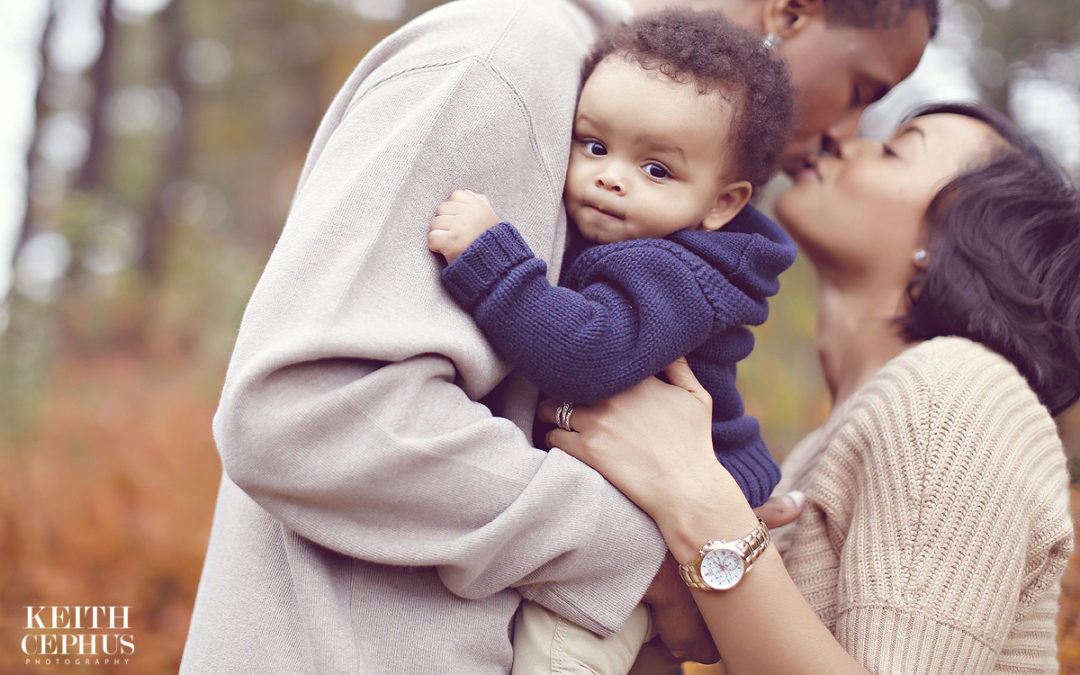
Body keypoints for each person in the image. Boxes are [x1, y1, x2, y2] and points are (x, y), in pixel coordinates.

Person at [181, 0, 940, 672]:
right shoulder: (509, 58)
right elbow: (308, 414)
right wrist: (650, 555)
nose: (845, 132)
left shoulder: (644, 168)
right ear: (792, 14)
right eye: (864, 91)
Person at [545, 101, 1079, 673]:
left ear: (958, 239)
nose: (841, 140)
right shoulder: (839, 438)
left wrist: (692, 492)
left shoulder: (954, 395)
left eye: (895, 149)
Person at [427, 10, 795, 673]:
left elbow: (588, 351)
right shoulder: (643, 242)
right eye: (594, 146)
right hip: (633, 516)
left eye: (656, 168)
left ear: (722, 202)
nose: (611, 176)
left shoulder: (675, 271)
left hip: (659, 523)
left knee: (555, 653)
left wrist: (492, 260)